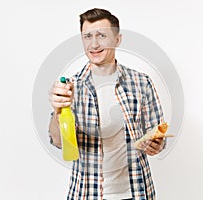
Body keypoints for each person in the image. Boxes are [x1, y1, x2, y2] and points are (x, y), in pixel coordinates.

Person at [49, 8, 166, 200]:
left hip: (136, 192)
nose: (94, 44)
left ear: (117, 39)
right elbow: (58, 142)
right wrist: (57, 112)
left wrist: (156, 143)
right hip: (88, 193)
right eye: (87, 36)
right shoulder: (70, 87)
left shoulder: (142, 82)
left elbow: (158, 133)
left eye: (101, 35)